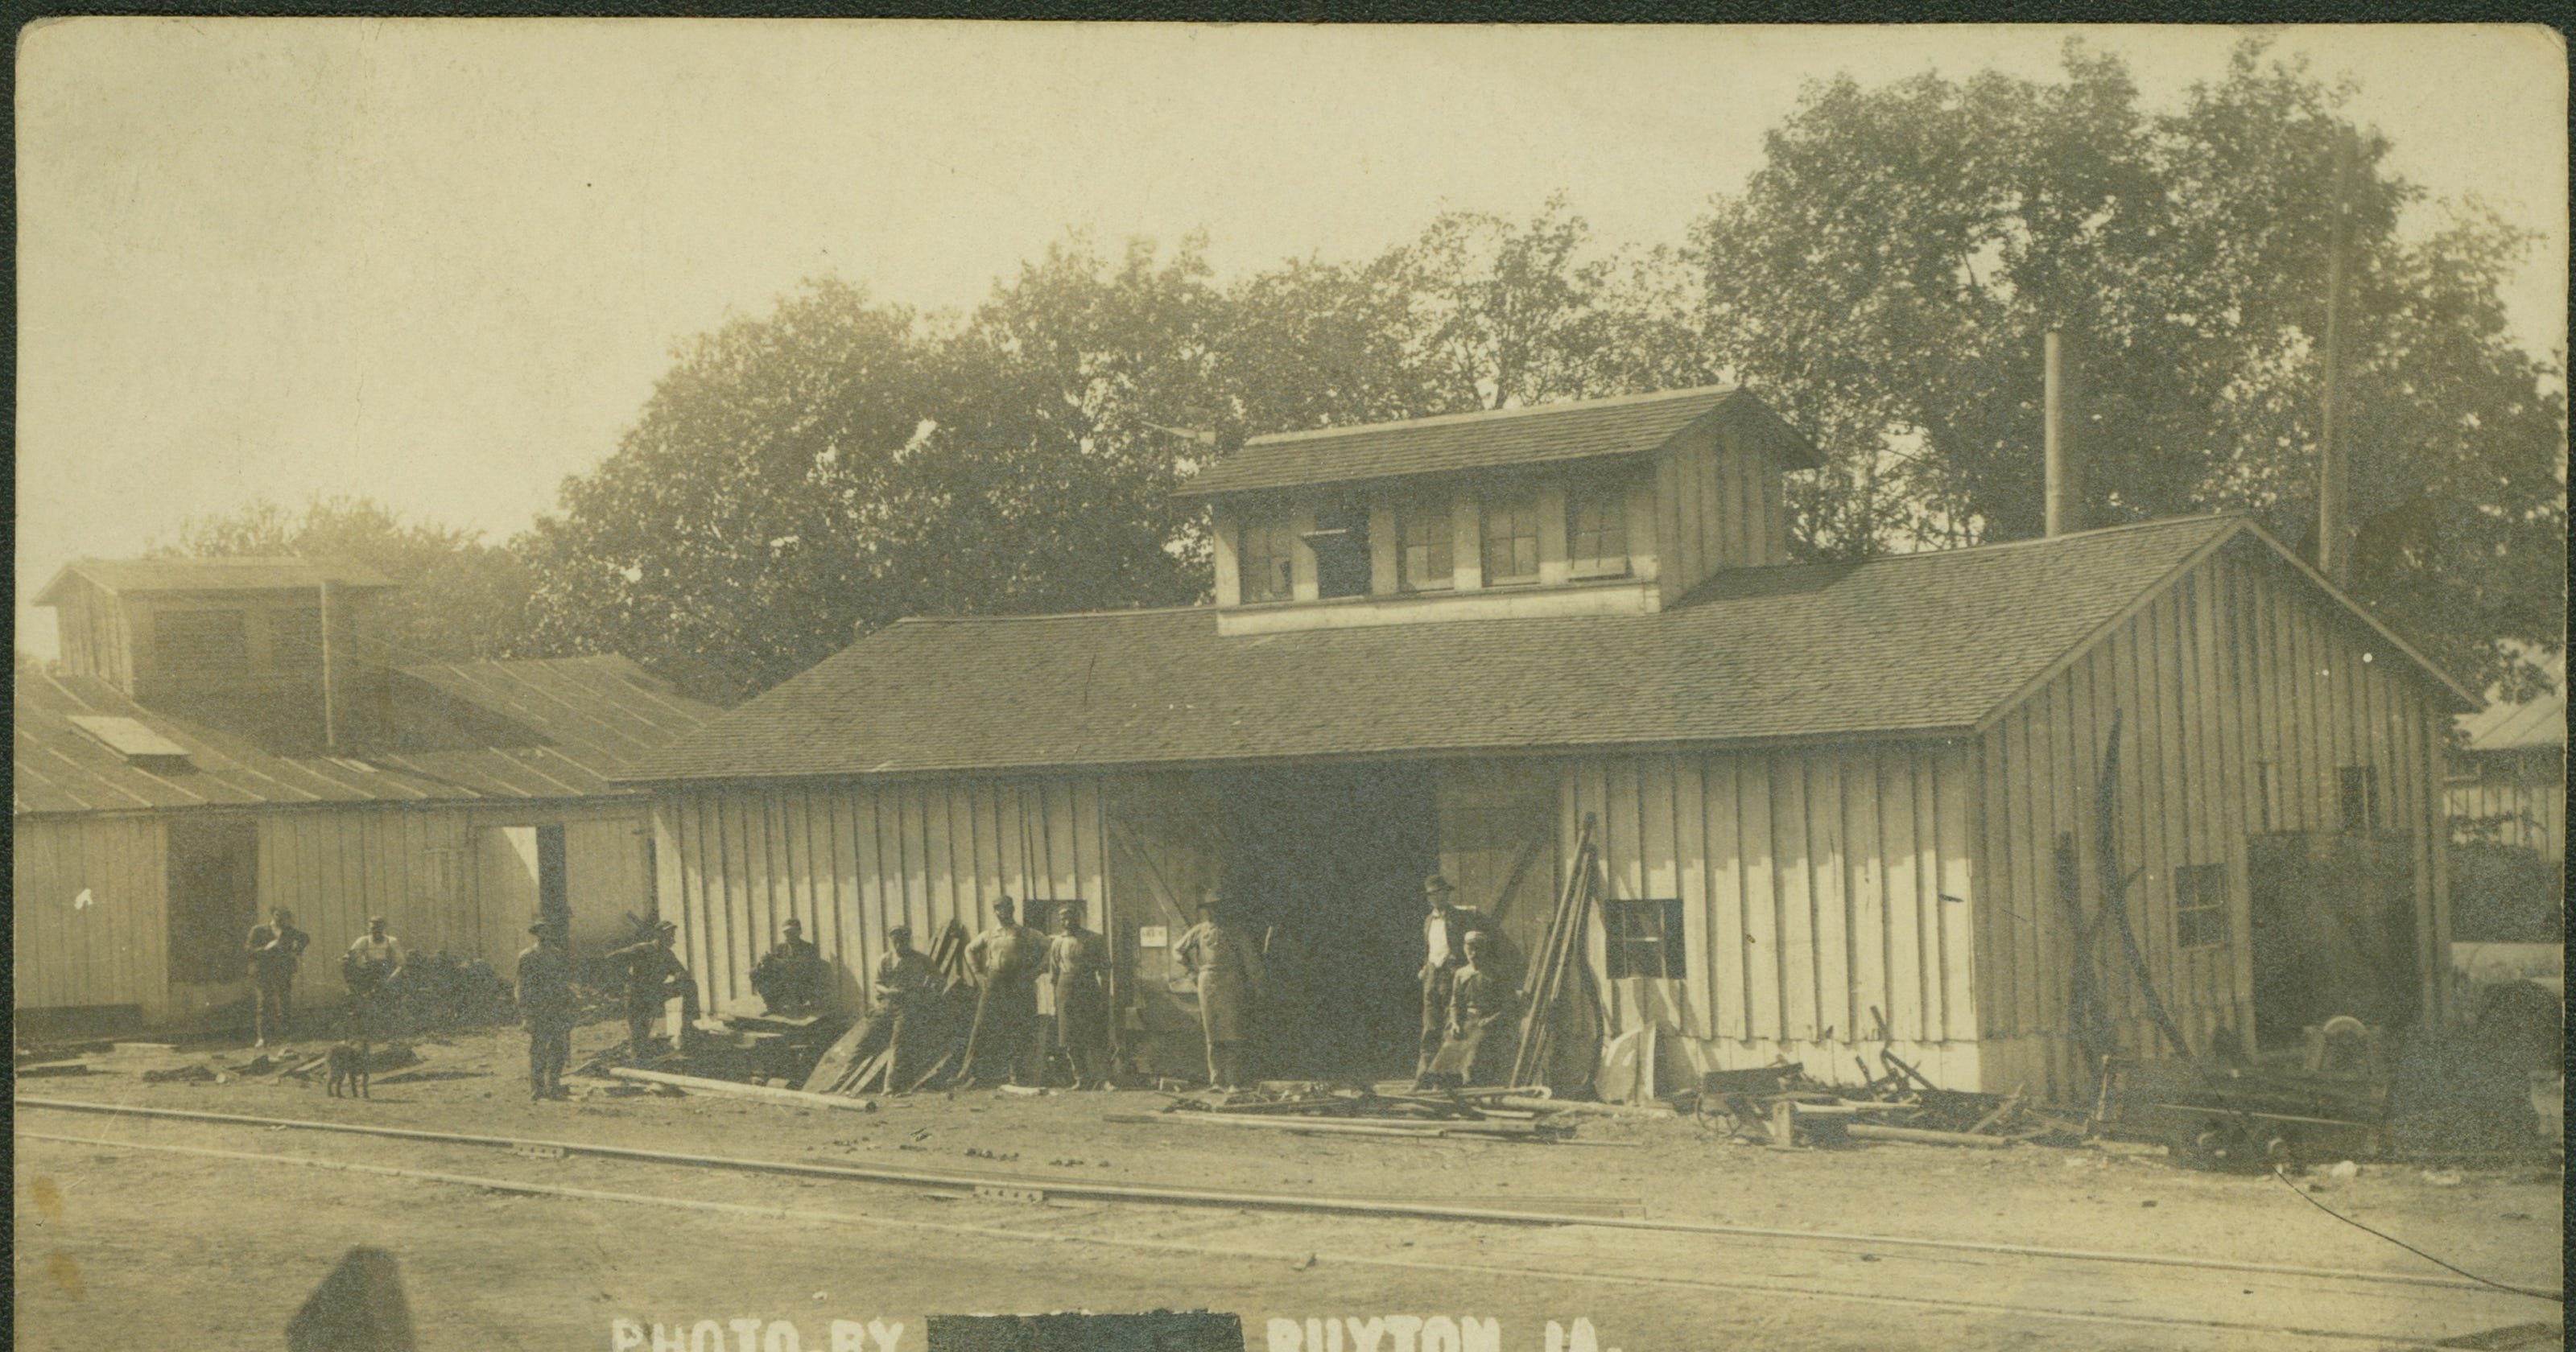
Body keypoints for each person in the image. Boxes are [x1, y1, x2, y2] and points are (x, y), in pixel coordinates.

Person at [1174, 893, 1264, 1091]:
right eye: (1211, 908)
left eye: (1219, 907)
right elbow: (1177, 950)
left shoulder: (1236, 932)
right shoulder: (1199, 931)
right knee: (1212, 1032)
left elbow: (1251, 962)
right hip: (1207, 983)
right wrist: (1191, 970)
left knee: (1233, 1031)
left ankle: (1234, 1081)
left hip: (1231, 982)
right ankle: (1216, 1080)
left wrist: (1258, 985)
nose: (1215, 912)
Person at [961, 897, 1045, 1086]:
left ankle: (1016, 1074)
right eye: (998, 908)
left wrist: (1037, 971)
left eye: (1005, 908)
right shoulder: (990, 934)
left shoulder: (1025, 933)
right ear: (995, 911)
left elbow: (1050, 947)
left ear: (1013, 909)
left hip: (1017, 982)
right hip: (994, 981)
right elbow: (969, 950)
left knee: (1017, 1026)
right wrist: (978, 974)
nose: (1002, 912)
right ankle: (968, 1073)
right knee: (982, 1025)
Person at [1414, 874, 1488, 1088]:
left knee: (1451, 1025)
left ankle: (1444, 1079)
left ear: (1447, 895)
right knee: (1430, 1027)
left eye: (1442, 894)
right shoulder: (1428, 921)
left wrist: (1464, 968)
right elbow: (1429, 949)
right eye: (1433, 895)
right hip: (1432, 977)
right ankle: (1423, 1077)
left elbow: (1472, 943)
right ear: (1429, 898)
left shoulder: (1459, 917)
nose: (1438, 898)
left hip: (1451, 975)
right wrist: (1425, 968)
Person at [1430, 930, 1518, 1087]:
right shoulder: (1461, 973)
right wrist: (1456, 1022)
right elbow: (1455, 1002)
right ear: (1465, 949)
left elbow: (1508, 1005)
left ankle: (1470, 1084)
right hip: (1466, 1021)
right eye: (1470, 948)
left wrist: (1491, 1020)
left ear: (1485, 950)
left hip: (1487, 1022)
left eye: (1479, 948)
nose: (1474, 953)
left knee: (1473, 1056)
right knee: (1447, 1052)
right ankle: (1444, 1088)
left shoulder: (1496, 973)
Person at [1045, 900, 1113, 1090]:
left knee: (1095, 1035)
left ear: (1079, 918)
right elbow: (1054, 974)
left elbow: (1105, 970)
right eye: (1063, 918)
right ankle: (1081, 1078)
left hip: (1088, 989)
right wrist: (1055, 1001)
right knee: (1069, 1037)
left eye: (1070, 917)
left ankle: (1103, 1079)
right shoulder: (1057, 943)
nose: (1067, 922)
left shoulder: (1094, 939)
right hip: (1065, 991)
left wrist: (1104, 996)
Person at [608, 920, 696, 1064]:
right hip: (637, 994)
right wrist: (626, 978)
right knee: (639, 1031)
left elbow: (681, 971)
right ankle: (639, 1061)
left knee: (690, 985)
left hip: (655, 992)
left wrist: (680, 974)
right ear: (659, 935)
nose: (672, 938)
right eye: (668, 935)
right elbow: (612, 958)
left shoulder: (667, 954)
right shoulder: (642, 949)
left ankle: (688, 1027)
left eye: (672, 935)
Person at [514, 920, 577, 1100]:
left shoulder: (557, 954)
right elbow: (522, 986)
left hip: (557, 1008)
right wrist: (525, 1014)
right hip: (538, 1009)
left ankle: (554, 1086)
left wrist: (569, 1006)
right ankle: (537, 1088)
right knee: (539, 1049)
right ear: (536, 933)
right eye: (542, 931)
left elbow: (563, 983)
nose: (546, 934)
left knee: (558, 1048)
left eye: (549, 930)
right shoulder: (527, 956)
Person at [871, 925, 939, 1088]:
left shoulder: (921, 959)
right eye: (896, 942)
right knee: (865, 1040)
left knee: (898, 1044)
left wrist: (926, 993)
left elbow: (938, 978)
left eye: (903, 941)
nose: (899, 945)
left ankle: (889, 1086)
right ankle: (840, 1084)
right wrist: (887, 991)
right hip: (887, 1004)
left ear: (908, 940)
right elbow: (877, 983)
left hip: (909, 1006)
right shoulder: (886, 959)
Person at [245, 907, 310, 1048]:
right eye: (279, 916)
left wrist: (296, 951)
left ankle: (285, 1036)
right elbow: (248, 951)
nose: (283, 920)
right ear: (274, 916)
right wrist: (266, 949)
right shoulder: (258, 930)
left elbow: (305, 938)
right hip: (263, 972)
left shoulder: (290, 931)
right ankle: (263, 1037)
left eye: (286, 918)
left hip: (283, 972)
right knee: (265, 1003)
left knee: (285, 1003)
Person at [749, 917, 831, 1016]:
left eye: (792, 932)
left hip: (802, 985)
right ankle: (772, 1006)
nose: (789, 935)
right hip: (784, 982)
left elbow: (801, 967)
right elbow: (772, 963)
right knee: (755, 972)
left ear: (800, 932)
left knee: (789, 975)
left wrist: (776, 961)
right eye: (786, 932)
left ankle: (795, 1004)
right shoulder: (781, 947)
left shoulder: (809, 948)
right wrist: (764, 962)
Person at [341, 916, 406, 1040]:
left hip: (387, 972)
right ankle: (364, 1029)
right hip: (369, 972)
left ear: (383, 928)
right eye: (372, 928)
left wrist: (392, 978)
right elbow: (351, 955)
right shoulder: (363, 941)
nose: (374, 931)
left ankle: (388, 1029)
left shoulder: (391, 941)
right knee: (362, 998)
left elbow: (401, 964)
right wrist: (348, 959)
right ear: (369, 928)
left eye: (378, 928)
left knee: (386, 999)